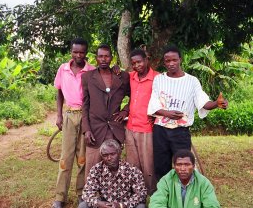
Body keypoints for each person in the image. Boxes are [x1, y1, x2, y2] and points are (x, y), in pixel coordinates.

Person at [147, 45, 228, 181]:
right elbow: (153, 105)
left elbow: (203, 102)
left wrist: (217, 103)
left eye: (174, 60)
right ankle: (163, 196)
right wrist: (167, 113)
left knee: (183, 165)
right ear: (164, 62)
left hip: (181, 132)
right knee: (161, 166)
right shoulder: (159, 79)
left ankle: (186, 195)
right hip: (160, 130)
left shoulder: (192, 81)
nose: (171, 64)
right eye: (167, 61)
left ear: (180, 60)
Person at [50, 38, 95, 208]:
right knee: (65, 158)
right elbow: (59, 92)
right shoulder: (63, 69)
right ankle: (60, 197)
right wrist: (59, 115)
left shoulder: (91, 71)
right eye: (75, 52)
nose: (78, 55)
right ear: (71, 51)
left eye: (82, 52)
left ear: (86, 53)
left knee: (82, 158)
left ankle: (81, 195)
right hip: (69, 116)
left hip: (85, 116)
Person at [74, 139, 147, 208]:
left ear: (119, 153)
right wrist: (99, 204)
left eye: (112, 154)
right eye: (105, 155)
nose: (109, 158)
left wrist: (122, 205)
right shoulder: (96, 170)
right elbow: (86, 193)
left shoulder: (131, 170)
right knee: (83, 207)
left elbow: (142, 193)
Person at [145, 150, 223, 208]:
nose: (182, 168)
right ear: (174, 167)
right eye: (179, 164)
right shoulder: (166, 180)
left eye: (187, 164)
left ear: (193, 167)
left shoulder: (203, 183)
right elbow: (155, 206)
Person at [81, 44, 130, 180]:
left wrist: (125, 111)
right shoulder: (88, 77)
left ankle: (112, 195)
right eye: (100, 56)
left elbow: (135, 96)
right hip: (95, 129)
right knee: (92, 165)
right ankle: (90, 196)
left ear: (111, 58)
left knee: (113, 165)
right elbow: (85, 105)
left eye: (106, 56)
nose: (103, 59)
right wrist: (87, 130)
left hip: (114, 128)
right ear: (96, 58)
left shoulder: (122, 76)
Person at [125, 49, 159, 195]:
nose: (136, 65)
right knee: (132, 164)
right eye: (133, 63)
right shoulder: (131, 77)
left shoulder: (158, 78)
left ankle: (152, 194)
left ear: (146, 60)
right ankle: (135, 194)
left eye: (139, 61)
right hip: (130, 127)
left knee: (148, 165)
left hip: (147, 128)